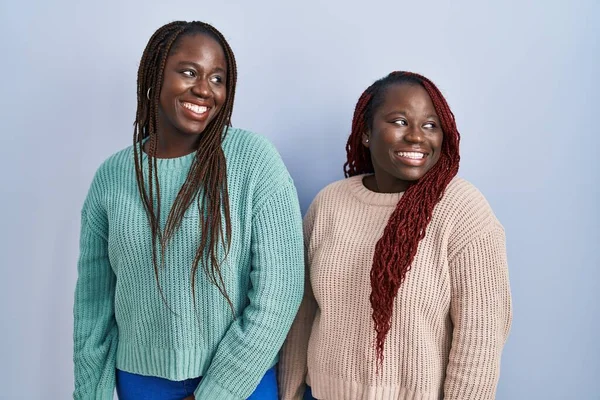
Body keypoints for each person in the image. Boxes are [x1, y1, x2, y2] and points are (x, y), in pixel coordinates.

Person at [73, 20, 304, 400]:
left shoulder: (254, 161)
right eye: (189, 72)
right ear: (154, 75)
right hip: (140, 384)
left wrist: (214, 393)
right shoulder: (113, 177)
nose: (204, 89)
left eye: (218, 78)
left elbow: (279, 292)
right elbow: (92, 308)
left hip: (240, 382)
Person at [278, 71, 512, 400]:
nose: (417, 137)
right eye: (400, 121)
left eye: (430, 125)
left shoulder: (461, 208)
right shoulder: (329, 203)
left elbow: (481, 334)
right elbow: (301, 313)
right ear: (366, 134)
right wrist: (288, 395)